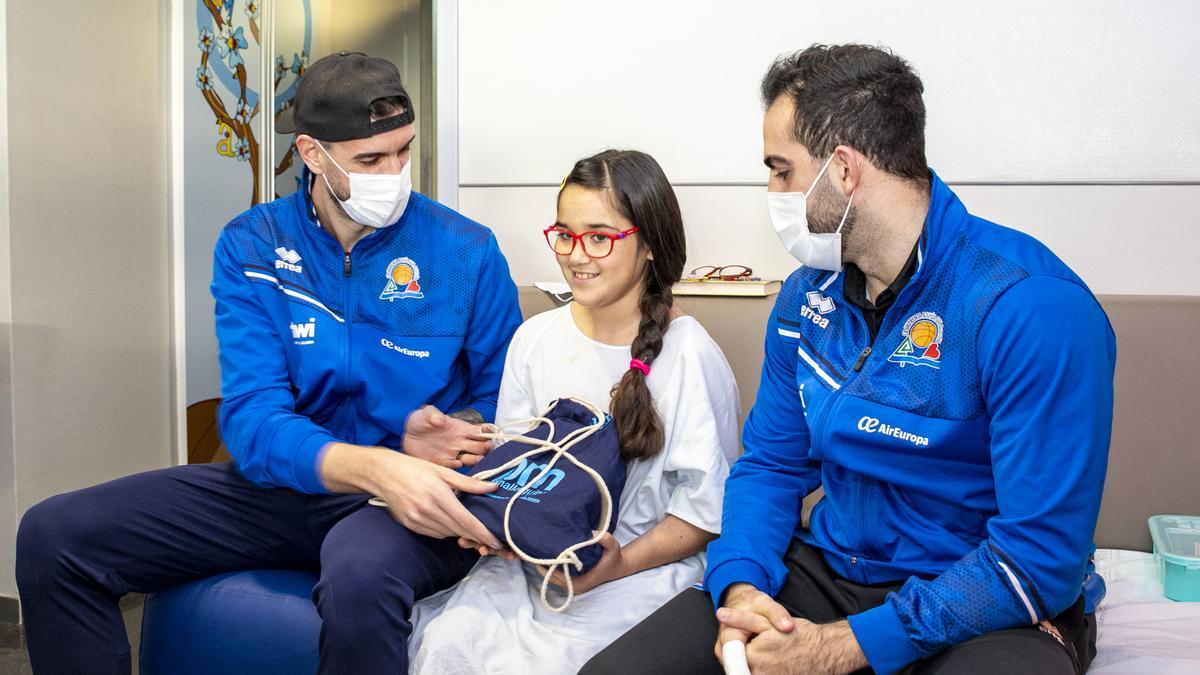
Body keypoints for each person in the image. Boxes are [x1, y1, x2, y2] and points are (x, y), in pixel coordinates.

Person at [582, 44, 1115, 675]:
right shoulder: (807, 296)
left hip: (981, 599)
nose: (772, 191)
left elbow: (1038, 557)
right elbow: (773, 467)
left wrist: (846, 647)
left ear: (842, 170)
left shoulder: (1030, 308)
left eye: (781, 170)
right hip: (833, 572)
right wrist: (743, 585)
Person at [15, 52, 523, 673]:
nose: (393, 173)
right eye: (369, 160)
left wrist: (453, 430)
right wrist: (370, 464)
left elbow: (509, 398)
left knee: (359, 580)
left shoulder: (466, 250)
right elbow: (253, 418)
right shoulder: (253, 243)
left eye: (403, 151)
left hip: (403, 501)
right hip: (291, 483)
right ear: (312, 153)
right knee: (54, 535)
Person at [406, 150, 741, 674]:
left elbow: (704, 516)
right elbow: (517, 472)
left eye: (600, 237)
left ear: (649, 243)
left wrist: (616, 565)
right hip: (533, 569)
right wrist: (494, 525)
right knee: (449, 644)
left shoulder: (690, 354)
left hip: (640, 571)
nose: (576, 255)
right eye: (564, 234)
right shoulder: (534, 339)